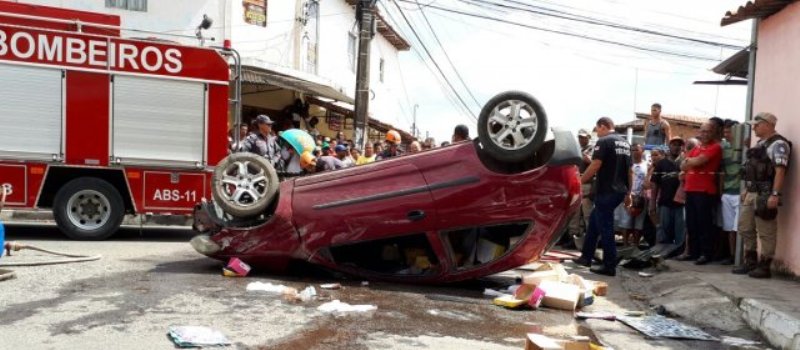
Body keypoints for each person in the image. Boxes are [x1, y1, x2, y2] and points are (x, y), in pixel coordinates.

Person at [733, 113, 791, 278]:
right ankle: (750, 262)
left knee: (766, 230)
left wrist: (775, 194)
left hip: (765, 194)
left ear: (768, 124)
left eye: (757, 124)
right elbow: (752, 170)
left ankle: (764, 266)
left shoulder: (779, 144)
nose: (754, 128)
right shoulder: (760, 144)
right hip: (752, 192)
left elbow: (780, 170)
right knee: (745, 227)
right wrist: (746, 190)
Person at [572, 117, 631, 277]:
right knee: (594, 224)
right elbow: (629, 171)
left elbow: (595, 164)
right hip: (618, 191)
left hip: (607, 190)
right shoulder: (625, 143)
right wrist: (628, 192)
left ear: (603, 127)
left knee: (605, 228)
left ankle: (609, 265)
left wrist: (579, 181)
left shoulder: (604, 141)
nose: (597, 134)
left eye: (597, 130)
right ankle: (586, 256)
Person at [680, 120, 723, 265]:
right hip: (690, 190)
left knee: (704, 224)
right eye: (702, 131)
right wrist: (691, 161)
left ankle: (706, 253)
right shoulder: (697, 148)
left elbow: (698, 161)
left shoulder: (715, 147)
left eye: (707, 131)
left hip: (704, 191)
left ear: (713, 133)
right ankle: (694, 252)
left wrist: (690, 161)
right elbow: (682, 165)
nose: (704, 134)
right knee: (691, 224)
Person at [652, 138, 686, 248]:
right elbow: (654, 184)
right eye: (674, 144)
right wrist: (652, 203)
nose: (676, 147)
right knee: (664, 233)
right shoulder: (661, 164)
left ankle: (677, 253)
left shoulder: (685, 163)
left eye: (679, 145)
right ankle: (663, 255)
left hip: (681, 205)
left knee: (680, 233)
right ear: (669, 146)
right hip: (665, 203)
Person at [566, 128, 594, 250]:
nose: (581, 139)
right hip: (576, 182)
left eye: (583, 137)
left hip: (587, 183)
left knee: (587, 213)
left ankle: (589, 240)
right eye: (580, 137)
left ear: (588, 137)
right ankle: (574, 238)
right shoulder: (578, 149)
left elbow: (596, 164)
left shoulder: (593, 149)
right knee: (575, 213)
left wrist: (588, 160)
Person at [720, 120, 742, 265]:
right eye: (725, 132)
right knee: (729, 228)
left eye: (729, 131)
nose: (726, 134)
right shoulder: (723, 147)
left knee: (739, 228)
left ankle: (741, 257)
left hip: (741, 193)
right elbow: (721, 172)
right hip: (727, 192)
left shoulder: (744, 146)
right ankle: (732, 256)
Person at [617, 143, 647, 247]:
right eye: (632, 150)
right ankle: (625, 245)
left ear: (642, 151)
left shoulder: (646, 165)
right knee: (626, 221)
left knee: (639, 223)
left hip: (641, 197)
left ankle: (636, 244)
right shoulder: (626, 164)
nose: (634, 152)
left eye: (636, 150)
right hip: (628, 195)